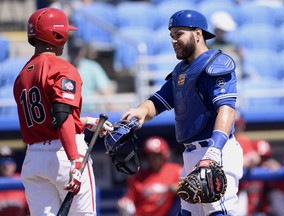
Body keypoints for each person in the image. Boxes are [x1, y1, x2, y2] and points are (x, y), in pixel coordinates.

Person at [121, 9, 244, 215]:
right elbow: (158, 101)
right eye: (171, 35)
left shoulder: (216, 63)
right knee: (188, 213)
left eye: (179, 34)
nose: (173, 40)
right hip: (191, 154)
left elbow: (227, 110)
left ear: (197, 34)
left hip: (216, 150)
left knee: (218, 211)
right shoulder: (182, 70)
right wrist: (140, 111)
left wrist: (213, 152)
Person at [13, 7, 113, 215]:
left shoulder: (22, 75)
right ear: (58, 34)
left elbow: (49, 120)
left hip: (33, 159)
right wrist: (74, 158)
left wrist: (84, 121)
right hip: (64, 154)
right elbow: (61, 115)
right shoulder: (62, 68)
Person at [117, 136, 182, 216]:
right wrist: (125, 204)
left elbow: (186, 188)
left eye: (155, 155)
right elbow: (129, 200)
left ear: (163, 155)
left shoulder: (175, 170)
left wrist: (166, 188)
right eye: (149, 155)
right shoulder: (138, 178)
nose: (152, 159)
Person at [0, 146, 29, 216]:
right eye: (2, 161)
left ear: (14, 164)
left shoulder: (24, 180)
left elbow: (31, 211)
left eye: (9, 160)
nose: (6, 165)